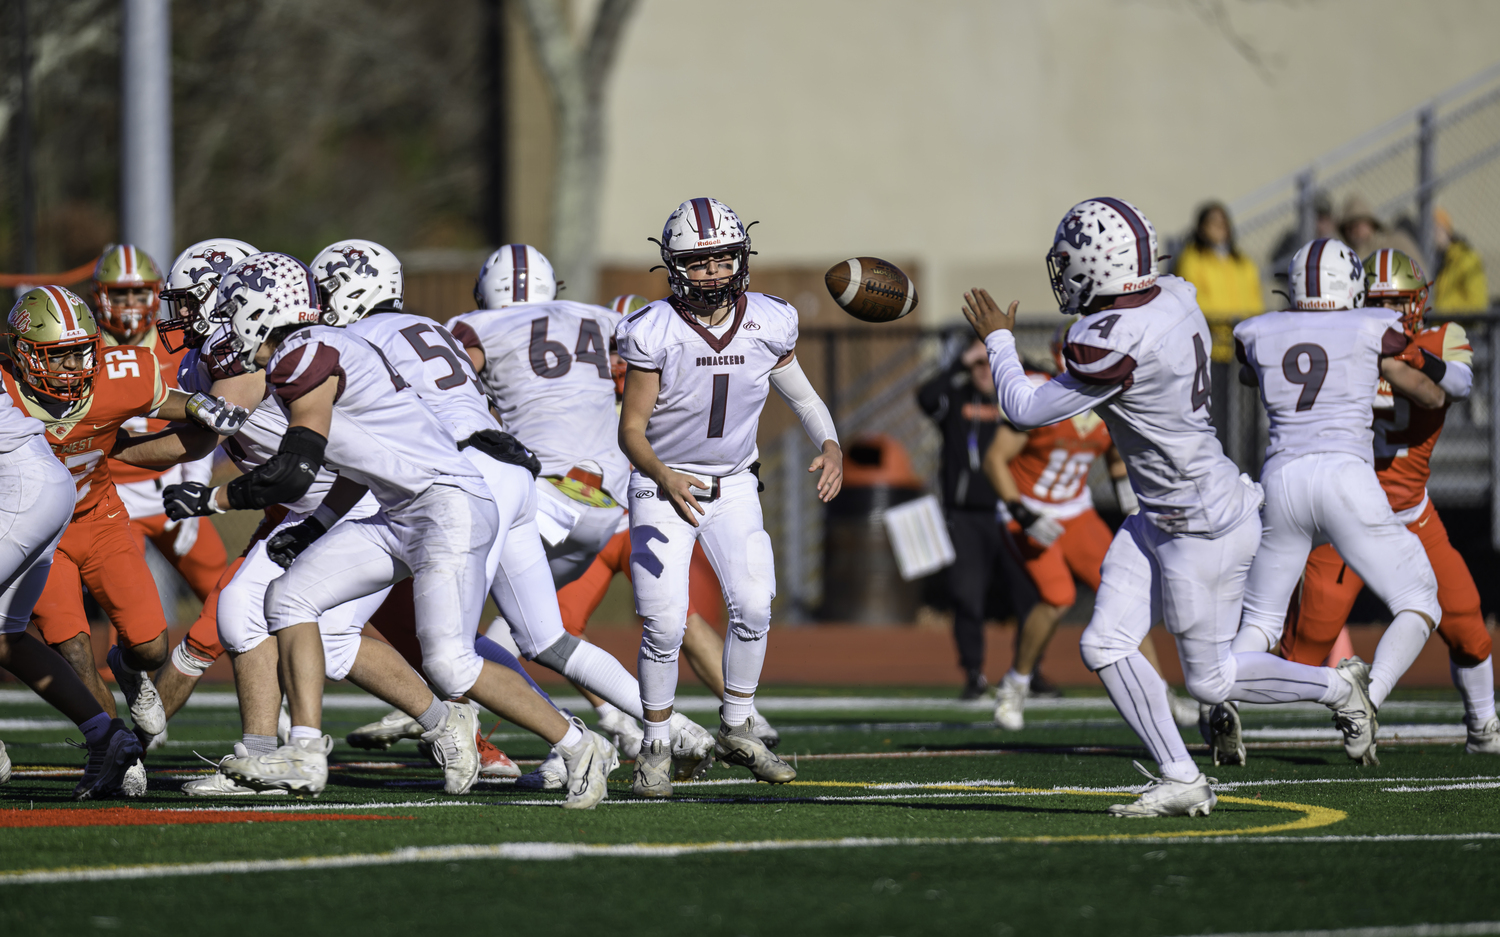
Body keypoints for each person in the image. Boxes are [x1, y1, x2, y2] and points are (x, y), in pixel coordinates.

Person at [965, 198, 1394, 817]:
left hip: (1202, 524)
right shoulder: (1174, 294)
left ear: (1100, 263)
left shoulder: (1113, 337)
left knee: (1211, 682)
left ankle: (1338, 687)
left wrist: (1000, 342)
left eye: (1070, 262)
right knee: (1106, 644)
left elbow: (1025, 409)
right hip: (1163, 513)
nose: (1062, 275)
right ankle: (1180, 776)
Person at [616, 196, 842, 797]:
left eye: (724, 260)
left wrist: (831, 443)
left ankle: (738, 725)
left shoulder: (771, 320)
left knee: (754, 606)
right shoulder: (652, 330)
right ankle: (656, 746)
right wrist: (664, 477)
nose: (714, 273)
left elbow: (803, 397)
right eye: (700, 262)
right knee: (664, 622)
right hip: (661, 484)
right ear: (674, 266)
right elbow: (631, 431)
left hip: (735, 482)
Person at [0, 283, 230, 789]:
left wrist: (202, 407)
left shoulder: (118, 374)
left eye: (83, 353)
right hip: (38, 533)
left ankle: (127, 670)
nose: (75, 368)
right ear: (24, 355)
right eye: (58, 357)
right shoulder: (8, 391)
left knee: (150, 646)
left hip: (100, 518)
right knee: (72, 647)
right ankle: (112, 749)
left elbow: (167, 400)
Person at [1230, 238, 1445, 768]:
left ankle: (1225, 697)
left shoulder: (1259, 330)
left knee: (1261, 619)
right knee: (1420, 599)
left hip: (1281, 479)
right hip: (1346, 476)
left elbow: (1247, 371)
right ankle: (1366, 699)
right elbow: (1429, 392)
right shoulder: (1371, 325)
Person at [1281, 248, 1495, 753]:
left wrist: (1413, 356)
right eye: (1381, 302)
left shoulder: (1441, 340)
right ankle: (1224, 701)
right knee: (1302, 649)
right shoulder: (1340, 343)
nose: (1394, 312)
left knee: (1466, 621)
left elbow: (1458, 383)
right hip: (1349, 515)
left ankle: (1484, 728)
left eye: (1401, 302)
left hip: (1412, 511)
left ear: (1420, 302)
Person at [983, 328, 1197, 732]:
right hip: (1028, 509)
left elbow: (1117, 460)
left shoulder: (1111, 395)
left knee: (1127, 592)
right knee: (1058, 597)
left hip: (1076, 511)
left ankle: (1159, 693)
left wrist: (1136, 508)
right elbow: (995, 459)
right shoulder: (1039, 393)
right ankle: (1016, 685)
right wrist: (1021, 512)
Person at [0, 286, 147, 800]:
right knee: (7, 637)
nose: (69, 366)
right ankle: (107, 735)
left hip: (21, 489)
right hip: (42, 487)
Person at [95, 243, 233, 741]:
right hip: (111, 496)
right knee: (133, 623)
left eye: (139, 293)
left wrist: (193, 490)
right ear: (100, 296)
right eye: (120, 293)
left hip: (169, 485)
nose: (131, 304)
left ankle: (270, 713)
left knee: (226, 593)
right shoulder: (86, 344)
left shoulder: (180, 346)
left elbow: (211, 430)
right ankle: (125, 720)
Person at [917, 338, 1038, 699]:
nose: (984, 371)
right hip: (966, 516)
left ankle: (1030, 672)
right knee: (966, 596)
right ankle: (973, 674)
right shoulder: (955, 398)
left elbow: (1046, 379)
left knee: (1029, 595)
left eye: (990, 364)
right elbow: (925, 397)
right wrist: (960, 362)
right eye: (977, 365)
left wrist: (1006, 357)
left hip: (1011, 512)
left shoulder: (1018, 400)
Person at [1173, 202, 1264, 363]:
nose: (1219, 226)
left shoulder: (1242, 262)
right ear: (1201, 227)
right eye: (1213, 222)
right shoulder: (1192, 259)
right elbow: (1192, 298)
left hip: (1243, 345)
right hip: (1212, 346)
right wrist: (1220, 322)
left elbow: (1255, 297)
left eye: (1223, 222)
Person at [1431, 207, 1489, 313]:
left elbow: (1477, 304)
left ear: (1445, 230)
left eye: (1435, 229)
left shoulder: (1466, 259)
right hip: (1443, 323)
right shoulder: (1442, 261)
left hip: (1461, 325)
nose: (1431, 236)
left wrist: (1442, 309)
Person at [1339, 193, 1421, 265]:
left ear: (1370, 223)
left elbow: (1418, 274)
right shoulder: (1347, 257)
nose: (1353, 232)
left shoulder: (1395, 242)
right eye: (1348, 228)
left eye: (1357, 225)